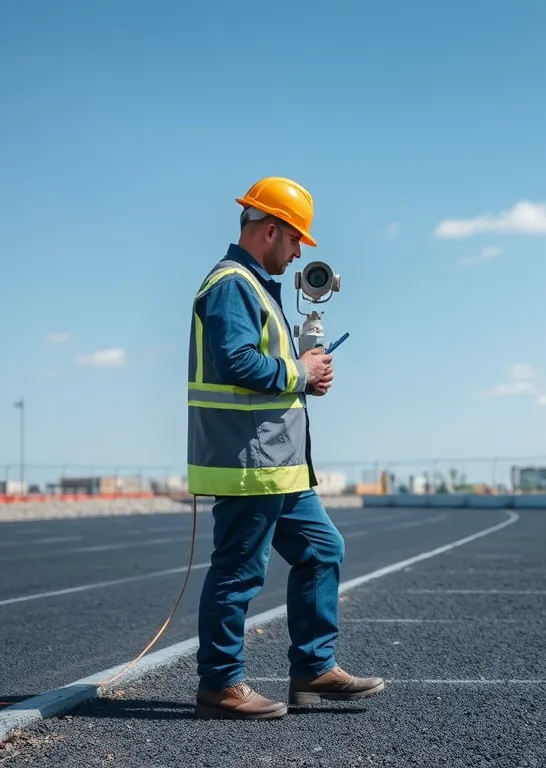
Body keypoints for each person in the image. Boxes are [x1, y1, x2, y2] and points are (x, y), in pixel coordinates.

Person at [186, 176, 384, 719]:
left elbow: (262, 366)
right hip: (250, 461)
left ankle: (313, 670)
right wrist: (300, 371)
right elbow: (238, 363)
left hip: (283, 464)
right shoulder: (232, 284)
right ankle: (220, 685)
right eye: (295, 240)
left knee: (323, 550)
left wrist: (303, 369)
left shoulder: (256, 287)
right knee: (238, 571)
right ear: (269, 230)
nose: (298, 253)